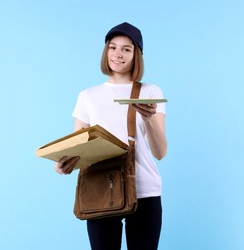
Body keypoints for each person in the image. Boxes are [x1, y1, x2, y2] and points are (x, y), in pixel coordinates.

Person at [54, 22, 167, 250]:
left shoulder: (150, 92)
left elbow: (160, 152)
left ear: (137, 55)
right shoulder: (87, 96)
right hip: (101, 188)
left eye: (127, 49)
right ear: (106, 51)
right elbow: (80, 145)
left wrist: (148, 118)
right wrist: (65, 163)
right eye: (113, 47)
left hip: (144, 190)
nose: (118, 54)